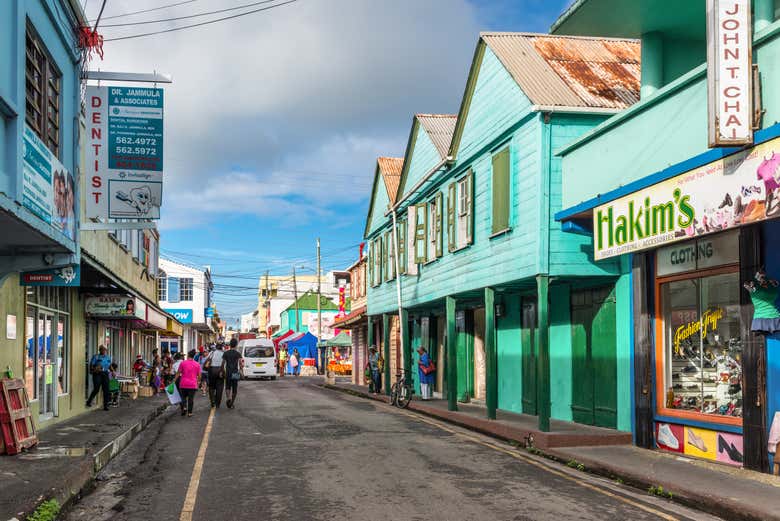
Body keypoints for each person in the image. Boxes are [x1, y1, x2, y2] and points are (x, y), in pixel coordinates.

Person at [175, 350, 201, 417]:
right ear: (194, 356)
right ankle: (190, 413)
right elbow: (199, 376)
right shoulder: (197, 364)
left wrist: (174, 380)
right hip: (192, 384)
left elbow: (178, 373)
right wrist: (198, 382)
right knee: (191, 399)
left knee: (183, 397)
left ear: (188, 355)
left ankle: (184, 407)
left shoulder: (183, 363)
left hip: (183, 383)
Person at [86, 345, 112, 410]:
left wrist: (113, 371)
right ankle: (89, 401)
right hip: (97, 374)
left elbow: (110, 366)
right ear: (99, 350)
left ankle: (105, 405)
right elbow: (91, 366)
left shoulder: (108, 357)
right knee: (96, 388)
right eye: (102, 349)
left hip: (105, 374)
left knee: (106, 390)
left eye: (104, 350)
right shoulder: (96, 357)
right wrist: (96, 368)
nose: (103, 351)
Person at [222, 338, 243, 409]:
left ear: (230, 344)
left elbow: (223, 363)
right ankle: (232, 403)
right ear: (236, 345)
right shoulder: (238, 353)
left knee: (227, 387)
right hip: (235, 373)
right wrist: (241, 371)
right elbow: (240, 364)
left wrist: (222, 371)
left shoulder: (226, 353)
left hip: (228, 372)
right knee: (235, 389)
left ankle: (228, 398)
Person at [206, 342, 225, 408]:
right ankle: (218, 403)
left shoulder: (212, 353)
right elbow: (225, 363)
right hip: (220, 370)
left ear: (216, 347)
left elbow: (207, 360)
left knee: (211, 387)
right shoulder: (223, 353)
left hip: (212, 371)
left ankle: (212, 401)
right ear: (222, 347)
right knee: (220, 387)